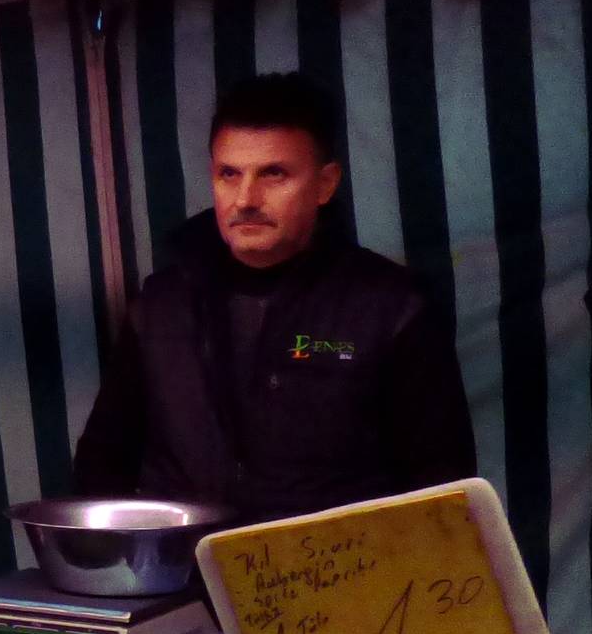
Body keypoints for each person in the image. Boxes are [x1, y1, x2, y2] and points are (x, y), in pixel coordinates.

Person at [72, 72, 475, 522]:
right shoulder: (160, 306)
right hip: (184, 579)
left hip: (335, 578)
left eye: (274, 174)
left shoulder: (392, 307)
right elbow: (102, 466)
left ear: (325, 184)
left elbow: (441, 487)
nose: (245, 198)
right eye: (229, 174)